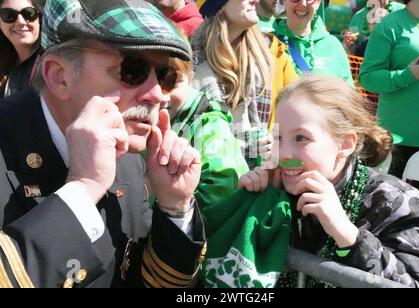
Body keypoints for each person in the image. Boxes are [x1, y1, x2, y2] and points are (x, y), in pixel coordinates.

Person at [0, 0, 206, 288]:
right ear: (59, 77)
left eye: (163, 75)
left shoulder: (128, 154)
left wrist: (174, 208)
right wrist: (83, 190)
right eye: (132, 69)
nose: (158, 94)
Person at [202, 75, 419, 288]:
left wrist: (349, 236)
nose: (284, 153)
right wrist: (251, 206)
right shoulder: (275, 190)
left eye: (301, 138)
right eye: (278, 137)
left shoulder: (394, 201)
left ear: (345, 144)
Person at [359, 0, 419, 220]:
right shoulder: (388, 25)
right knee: (389, 211)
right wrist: (408, 75)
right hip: (397, 139)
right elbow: (368, 78)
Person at [192, 0, 297, 169]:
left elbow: (294, 119)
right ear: (218, 7)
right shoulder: (189, 63)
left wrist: (274, 143)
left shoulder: (274, 56)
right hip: (204, 182)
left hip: (256, 180)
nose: (255, 0)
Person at [153, 54, 249, 209]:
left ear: (190, 77)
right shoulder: (150, 124)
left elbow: (219, 196)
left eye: (171, 82)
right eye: (153, 84)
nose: (162, 97)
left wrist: (155, 198)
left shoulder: (210, 125)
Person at [272, 0, 354, 84]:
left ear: (318, 3)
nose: (303, 4)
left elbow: (348, 94)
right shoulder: (268, 43)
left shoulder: (333, 45)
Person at [0, 0, 41, 98]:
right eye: (9, 15)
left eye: (29, 13)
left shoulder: (50, 62)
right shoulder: (5, 62)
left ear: (39, 19)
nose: (21, 22)